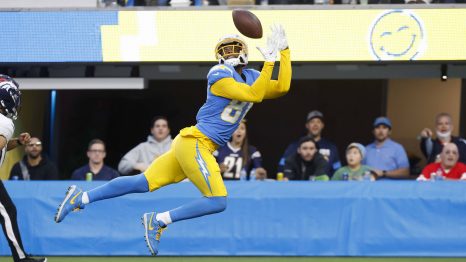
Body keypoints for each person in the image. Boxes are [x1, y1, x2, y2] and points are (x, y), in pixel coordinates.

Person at [55, 25, 291, 256]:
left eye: (234, 48)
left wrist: (285, 52)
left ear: (244, 52)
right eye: (225, 49)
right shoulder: (218, 73)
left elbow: (282, 87)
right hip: (196, 142)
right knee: (217, 200)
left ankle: (81, 197)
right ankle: (158, 220)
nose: (230, 53)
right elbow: (254, 95)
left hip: (194, 144)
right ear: (218, 56)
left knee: (142, 182)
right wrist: (270, 62)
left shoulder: (251, 76)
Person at [0, 75, 47, 262]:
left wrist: (18, 142)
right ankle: (20, 259)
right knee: (8, 211)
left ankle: (20, 257)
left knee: (8, 210)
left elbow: (2, 144)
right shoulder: (5, 121)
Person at [278, 110, 341, 177]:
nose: (315, 125)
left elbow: (338, 171)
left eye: (318, 122)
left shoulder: (331, 147)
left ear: (323, 125)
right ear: (307, 125)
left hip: (324, 186)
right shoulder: (294, 146)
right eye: (312, 122)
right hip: (298, 185)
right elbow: (282, 167)